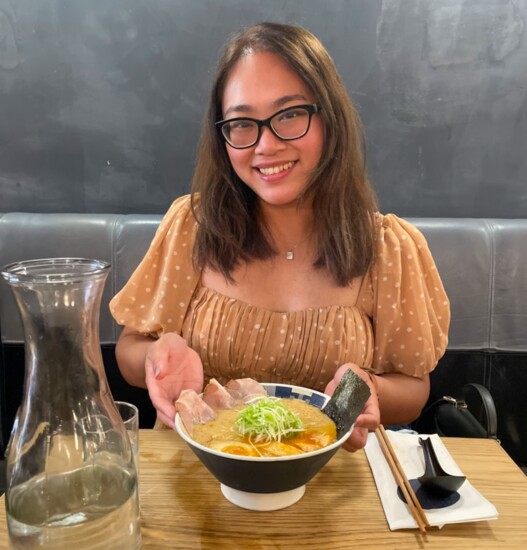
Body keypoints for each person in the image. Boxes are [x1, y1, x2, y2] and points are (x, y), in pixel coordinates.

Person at [110, 22, 450, 452]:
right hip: (197, 476)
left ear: (330, 119)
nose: (265, 145)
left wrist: (369, 390)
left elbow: (414, 388)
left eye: (290, 114)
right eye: (241, 123)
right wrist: (157, 359)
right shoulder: (192, 226)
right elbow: (129, 351)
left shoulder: (387, 248)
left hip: (330, 483)